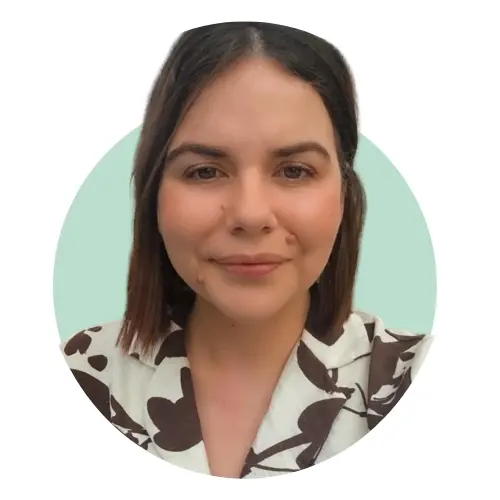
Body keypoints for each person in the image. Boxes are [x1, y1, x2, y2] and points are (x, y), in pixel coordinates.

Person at [60, 21, 433, 479]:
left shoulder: (416, 381)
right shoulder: (77, 377)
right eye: (204, 171)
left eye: (294, 171)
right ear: (153, 195)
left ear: (344, 192)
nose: (251, 214)